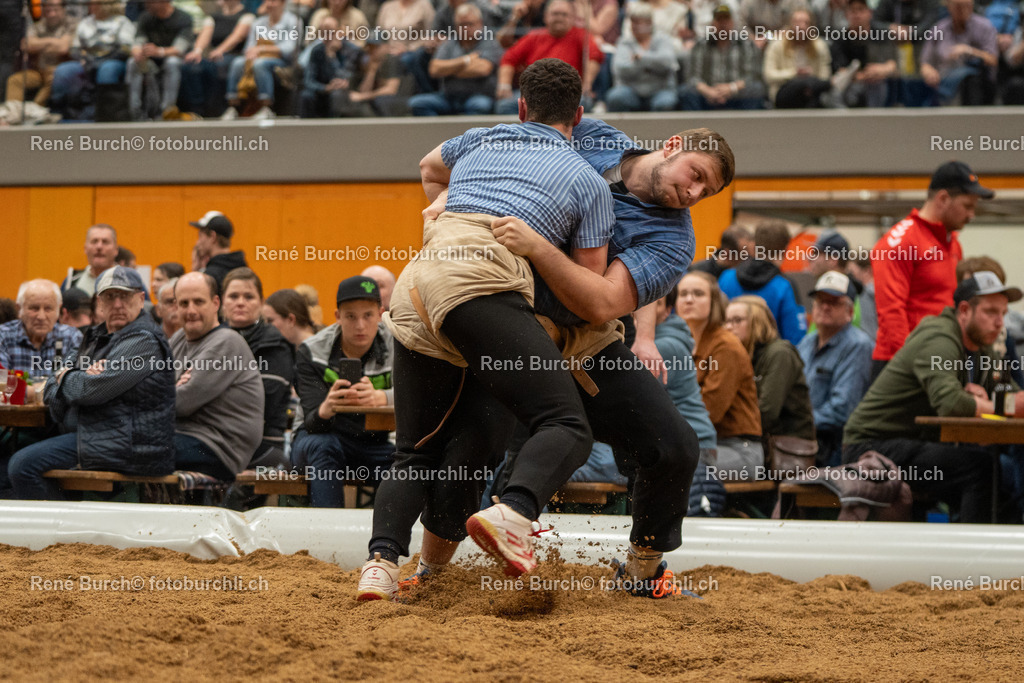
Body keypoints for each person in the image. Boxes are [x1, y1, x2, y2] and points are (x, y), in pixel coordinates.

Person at [358, 59, 615, 599]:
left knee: (418, 451)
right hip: (482, 284)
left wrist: (441, 205)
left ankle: (381, 566)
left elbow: (427, 165)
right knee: (567, 425)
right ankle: (515, 513)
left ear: (520, 108)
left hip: (418, 282)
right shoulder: (589, 181)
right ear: (580, 115)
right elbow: (585, 289)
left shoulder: (482, 137)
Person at [843, 271, 1022, 523]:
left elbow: (1012, 395)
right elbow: (951, 404)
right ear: (964, 311)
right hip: (871, 446)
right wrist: (991, 405)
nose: (999, 323)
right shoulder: (939, 339)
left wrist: (999, 403)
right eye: (991, 312)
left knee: (1002, 477)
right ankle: (967, 556)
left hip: (914, 443)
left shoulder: (982, 349)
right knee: (981, 469)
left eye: (1003, 314)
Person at [8, 266, 175, 501]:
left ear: (141, 299)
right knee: (14, 453)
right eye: (109, 296)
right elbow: (51, 390)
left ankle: (60, 530)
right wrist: (77, 376)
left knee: (22, 465)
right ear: (99, 303)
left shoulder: (143, 340)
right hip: (96, 435)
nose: (117, 304)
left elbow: (90, 391)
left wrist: (66, 376)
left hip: (128, 444)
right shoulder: (95, 336)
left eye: (124, 296)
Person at [871, 161, 992, 377]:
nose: (971, 215)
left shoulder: (952, 243)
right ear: (943, 199)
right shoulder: (899, 242)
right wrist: (913, 366)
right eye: (967, 206)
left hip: (939, 359)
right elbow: (891, 313)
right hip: (903, 365)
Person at [291, 276, 395, 507]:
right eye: (350, 316)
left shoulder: (398, 346)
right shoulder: (312, 350)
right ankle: (328, 536)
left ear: (380, 314)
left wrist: (381, 398)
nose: (360, 325)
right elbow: (311, 423)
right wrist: (327, 408)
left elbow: (417, 398)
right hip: (316, 437)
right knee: (324, 445)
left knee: (404, 461)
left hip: (371, 442)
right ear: (337, 317)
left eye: (367, 315)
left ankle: (390, 539)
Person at [170, 272, 264, 480]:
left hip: (217, 449)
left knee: (127, 448)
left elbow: (181, 403)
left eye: (198, 302)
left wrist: (169, 388)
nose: (191, 310)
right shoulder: (177, 339)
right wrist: (170, 387)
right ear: (175, 306)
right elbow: (151, 384)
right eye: (184, 303)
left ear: (215, 303)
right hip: (182, 437)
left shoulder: (227, 342)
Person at [678, 272, 763, 479]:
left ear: (714, 302)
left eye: (698, 294)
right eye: (683, 294)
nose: (689, 299)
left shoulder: (726, 345)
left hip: (739, 449)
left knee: (674, 467)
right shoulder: (682, 341)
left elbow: (710, 411)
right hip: (700, 444)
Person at [798, 271, 874, 466]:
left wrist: (797, 423)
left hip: (835, 450)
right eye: (820, 301)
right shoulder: (806, 343)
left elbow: (842, 409)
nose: (825, 307)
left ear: (850, 312)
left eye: (833, 302)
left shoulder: (858, 346)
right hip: (806, 441)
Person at [221, 268, 294, 468]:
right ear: (221, 303)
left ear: (261, 303)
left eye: (249, 297)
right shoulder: (211, 340)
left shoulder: (275, 344)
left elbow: (262, 401)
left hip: (264, 444)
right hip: (219, 440)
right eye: (233, 296)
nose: (240, 302)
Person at [725, 294, 815, 445]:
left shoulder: (779, 353)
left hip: (786, 445)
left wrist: (725, 429)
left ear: (758, 322)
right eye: (726, 321)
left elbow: (767, 412)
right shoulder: (740, 355)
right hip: (753, 440)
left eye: (737, 320)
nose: (728, 327)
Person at [494, 0, 603, 114]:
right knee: (505, 105)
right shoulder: (534, 36)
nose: (559, 18)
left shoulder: (581, 35)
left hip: (568, 92)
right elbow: (509, 59)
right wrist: (504, 85)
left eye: (564, 14)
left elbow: (594, 56)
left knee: (583, 103)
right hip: (534, 92)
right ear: (545, 17)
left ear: (572, 18)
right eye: (555, 14)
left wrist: (586, 85)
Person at [719, 220, 807, 345]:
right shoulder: (784, 286)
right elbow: (795, 337)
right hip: (770, 361)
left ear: (754, 244)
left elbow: (716, 323)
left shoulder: (726, 278)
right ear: (785, 248)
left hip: (730, 353)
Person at [407, 4, 501, 116]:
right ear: (456, 26)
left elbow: (482, 69)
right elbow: (434, 69)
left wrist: (449, 70)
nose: (466, 28)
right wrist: (466, 60)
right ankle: (436, 134)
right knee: (417, 103)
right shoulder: (449, 44)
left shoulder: (489, 43)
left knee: (480, 106)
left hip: (477, 96)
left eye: (470, 24)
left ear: (480, 23)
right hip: (448, 97)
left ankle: (470, 134)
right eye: (462, 25)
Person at [48, 0, 135, 120]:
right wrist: (84, 58)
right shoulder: (85, 23)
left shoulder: (121, 22)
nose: (91, 6)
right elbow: (74, 48)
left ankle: (104, 113)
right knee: (64, 71)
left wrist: (102, 60)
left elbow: (125, 49)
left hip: (112, 60)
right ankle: (58, 112)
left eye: (96, 3)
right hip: (87, 61)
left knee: (107, 70)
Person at [222, 0, 301, 120]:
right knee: (237, 62)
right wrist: (251, 53)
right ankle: (233, 106)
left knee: (260, 64)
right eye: (267, 1)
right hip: (259, 58)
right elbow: (249, 47)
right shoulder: (258, 22)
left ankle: (266, 107)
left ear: (282, 3)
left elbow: (289, 49)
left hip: (282, 61)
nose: (269, 4)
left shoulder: (293, 21)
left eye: (273, 2)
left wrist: (263, 49)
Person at [679, 4, 766, 111]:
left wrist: (732, 88)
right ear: (713, 23)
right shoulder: (700, 45)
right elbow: (692, 76)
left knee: (756, 89)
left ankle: (748, 127)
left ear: (732, 23)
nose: (723, 24)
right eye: (719, 20)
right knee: (686, 91)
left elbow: (753, 75)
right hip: (707, 95)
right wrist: (708, 91)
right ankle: (695, 127)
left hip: (737, 95)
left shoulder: (746, 45)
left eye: (726, 20)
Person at [179, 0, 254, 117]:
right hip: (213, 56)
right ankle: (196, 110)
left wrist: (221, 50)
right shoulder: (213, 17)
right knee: (191, 66)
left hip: (235, 55)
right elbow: (205, 35)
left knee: (220, 66)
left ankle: (223, 109)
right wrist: (197, 51)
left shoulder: (247, 15)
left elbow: (237, 36)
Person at [917, 0, 998, 106]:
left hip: (976, 85)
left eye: (966, 6)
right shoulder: (939, 28)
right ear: (949, 7)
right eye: (958, 6)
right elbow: (925, 62)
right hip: (943, 82)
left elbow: (993, 60)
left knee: (971, 80)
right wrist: (929, 71)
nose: (962, 10)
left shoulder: (985, 26)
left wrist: (969, 51)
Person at [0, 280, 83, 379]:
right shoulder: (4, 336)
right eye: (34, 308)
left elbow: (78, 383)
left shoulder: (72, 337)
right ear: (19, 309)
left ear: (58, 309)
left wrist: (31, 390)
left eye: (48, 309)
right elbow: (3, 384)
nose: (41, 316)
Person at [126, 0, 194, 120]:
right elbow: (137, 42)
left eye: (150, 2)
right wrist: (138, 53)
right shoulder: (145, 17)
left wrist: (159, 51)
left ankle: (167, 111)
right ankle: (135, 112)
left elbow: (180, 49)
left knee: (171, 62)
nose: (146, 4)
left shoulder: (183, 17)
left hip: (175, 59)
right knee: (132, 62)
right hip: (150, 60)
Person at [606, 3, 678, 113]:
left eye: (638, 22)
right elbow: (620, 69)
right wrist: (651, 66)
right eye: (632, 22)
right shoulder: (624, 42)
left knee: (666, 102)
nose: (634, 26)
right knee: (616, 97)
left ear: (649, 23)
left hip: (660, 90)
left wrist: (641, 58)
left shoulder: (663, 40)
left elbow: (668, 62)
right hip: (631, 91)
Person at [4, 0, 75, 108]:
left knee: (54, 78)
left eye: (55, 8)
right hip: (39, 71)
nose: (51, 12)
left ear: (63, 9)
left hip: (57, 70)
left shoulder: (71, 24)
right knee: (15, 80)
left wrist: (39, 44)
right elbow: (26, 45)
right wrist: (52, 42)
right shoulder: (38, 25)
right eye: (47, 8)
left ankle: (35, 111)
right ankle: (13, 114)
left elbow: (63, 48)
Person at [830, 0, 897, 108]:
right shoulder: (840, 40)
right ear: (846, 15)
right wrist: (862, 76)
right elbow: (840, 70)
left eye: (861, 10)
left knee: (879, 85)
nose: (857, 15)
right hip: (850, 85)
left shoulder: (881, 36)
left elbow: (892, 65)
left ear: (869, 13)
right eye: (852, 11)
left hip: (878, 83)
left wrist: (882, 69)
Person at [763, 8, 833, 108]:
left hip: (812, 92)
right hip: (784, 92)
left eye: (806, 23)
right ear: (790, 25)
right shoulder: (777, 45)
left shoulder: (820, 46)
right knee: (798, 85)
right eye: (797, 22)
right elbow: (769, 76)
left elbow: (825, 77)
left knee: (818, 90)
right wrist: (794, 73)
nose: (801, 27)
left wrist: (810, 80)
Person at [299, 16, 364, 117]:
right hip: (323, 90)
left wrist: (332, 56)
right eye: (323, 32)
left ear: (339, 31)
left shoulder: (351, 50)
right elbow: (309, 80)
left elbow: (348, 75)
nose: (328, 36)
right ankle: (305, 130)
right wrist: (325, 88)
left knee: (337, 95)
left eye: (331, 32)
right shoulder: (317, 51)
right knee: (306, 95)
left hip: (344, 90)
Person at [189, 211, 249, 291]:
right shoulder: (244, 270)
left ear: (212, 236)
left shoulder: (210, 276)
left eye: (200, 236)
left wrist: (195, 272)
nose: (197, 242)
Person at [62, 223, 118, 296]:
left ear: (116, 250)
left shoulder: (128, 280)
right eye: (94, 241)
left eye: (105, 242)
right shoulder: (71, 281)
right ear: (85, 248)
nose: (99, 247)